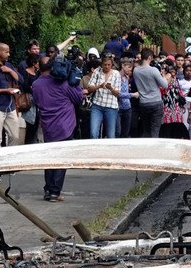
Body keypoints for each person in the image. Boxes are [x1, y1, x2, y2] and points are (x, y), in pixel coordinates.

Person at [31, 56, 84, 201]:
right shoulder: (64, 83)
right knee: (62, 159)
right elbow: (79, 98)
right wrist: (76, 81)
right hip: (65, 126)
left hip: (47, 126)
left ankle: (48, 189)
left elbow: (36, 101)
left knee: (49, 158)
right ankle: (55, 192)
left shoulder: (36, 85)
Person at [133, 48, 168, 137]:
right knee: (155, 129)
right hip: (156, 101)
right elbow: (164, 85)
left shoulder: (136, 70)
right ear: (149, 57)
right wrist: (164, 76)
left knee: (146, 129)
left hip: (143, 102)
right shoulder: (153, 70)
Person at [85, 55, 121, 139]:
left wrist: (111, 88)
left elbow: (118, 94)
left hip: (111, 107)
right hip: (97, 106)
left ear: (112, 65)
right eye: (105, 64)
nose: (107, 66)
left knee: (111, 135)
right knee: (93, 133)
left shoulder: (116, 74)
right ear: (101, 64)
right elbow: (89, 88)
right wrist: (100, 86)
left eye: (109, 64)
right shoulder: (97, 71)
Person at [20, 55, 41, 144]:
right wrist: (31, 88)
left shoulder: (38, 73)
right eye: (38, 62)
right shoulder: (25, 73)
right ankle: (28, 144)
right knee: (30, 125)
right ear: (34, 63)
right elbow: (23, 86)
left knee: (36, 125)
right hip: (29, 102)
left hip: (37, 102)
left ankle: (33, 143)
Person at [117, 58, 138, 138]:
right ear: (123, 66)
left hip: (127, 108)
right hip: (118, 108)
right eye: (129, 67)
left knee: (125, 132)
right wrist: (132, 95)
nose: (130, 70)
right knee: (118, 131)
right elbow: (118, 93)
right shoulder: (116, 77)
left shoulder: (127, 78)